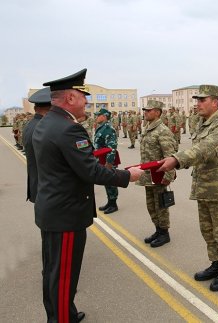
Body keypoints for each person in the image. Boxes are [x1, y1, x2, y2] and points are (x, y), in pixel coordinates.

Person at [32, 68, 144, 323]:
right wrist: (128, 176)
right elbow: (91, 171)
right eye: (84, 96)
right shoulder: (69, 129)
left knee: (53, 271)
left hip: (52, 209)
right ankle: (62, 320)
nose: (88, 102)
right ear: (71, 98)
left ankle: (63, 314)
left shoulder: (47, 122)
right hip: (66, 215)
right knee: (63, 277)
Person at [158, 85, 218, 292]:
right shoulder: (203, 124)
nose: (197, 104)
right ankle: (215, 263)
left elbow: (205, 149)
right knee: (208, 231)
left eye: (202, 100)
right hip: (204, 186)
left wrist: (177, 159)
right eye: (197, 100)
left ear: (215, 102)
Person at [137, 100, 177, 247]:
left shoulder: (162, 130)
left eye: (149, 110)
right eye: (145, 110)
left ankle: (164, 233)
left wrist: (168, 176)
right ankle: (158, 229)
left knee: (161, 205)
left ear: (158, 112)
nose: (145, 112)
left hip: (159, 175)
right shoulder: (148, 128)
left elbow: (171, 155)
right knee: (151, 205)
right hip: (148, 175)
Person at [23, 87, 51, 203]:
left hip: (38, 186)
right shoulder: (45, 127)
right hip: (47, 190)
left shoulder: (31, 125)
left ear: (35, 108)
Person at [94, 108, 122, 214]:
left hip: (107, 160)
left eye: (98, 115)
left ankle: (113, 204)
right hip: (101, 159)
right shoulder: (101, 127)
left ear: (104, 116)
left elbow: (112, 147)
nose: (96, 117)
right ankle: (109, 202)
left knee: (111, 181)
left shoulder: (108, 129)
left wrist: (109, 163)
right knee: (106, 181)